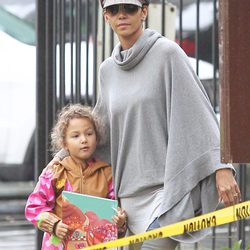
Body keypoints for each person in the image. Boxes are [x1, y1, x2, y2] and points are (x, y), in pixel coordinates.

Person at [50, 1, 241, 249]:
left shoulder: (167, 54)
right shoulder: (107, 70)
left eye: (129, 8)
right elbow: (101, 131)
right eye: (113, 9)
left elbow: (197, 112)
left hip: (163, 196)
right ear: (105, 16)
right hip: (123, 203)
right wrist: (60, 159)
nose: (122, 15)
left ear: (144, 11)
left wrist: (221, 167)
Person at [25, 104, 127, 250]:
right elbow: (34, 207)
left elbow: (114, 211)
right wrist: (54, 225)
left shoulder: (107, 174)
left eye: (89, 133)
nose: (84, 140)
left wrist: (119, 222)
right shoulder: (55, 173)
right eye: (75, 136)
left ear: (97, 138)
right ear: (64, 144)